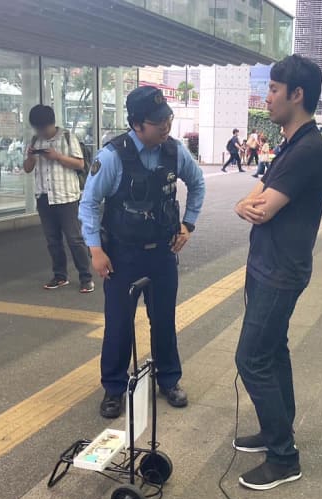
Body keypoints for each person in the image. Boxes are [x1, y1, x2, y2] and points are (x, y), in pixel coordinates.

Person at [79, 86, 206, 419]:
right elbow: (89, 204)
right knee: (119, 325)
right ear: (136, 124)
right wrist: (95, 249)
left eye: (168, 119)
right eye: (157, 122)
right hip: (122, 255)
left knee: (163, 320)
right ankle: (114, 388)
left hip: (162, 253)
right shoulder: (111, 157)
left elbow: (198, 183)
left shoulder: (175, 152)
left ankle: (169, 380)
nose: (165, 127)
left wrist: (188, 224)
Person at [232, 54, 322, 491]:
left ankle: (283, 457)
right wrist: (243, 204)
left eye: (273, 90)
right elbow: (253, 197)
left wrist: (248, 206)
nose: (266, 97)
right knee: (273, 351)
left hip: (279, 271)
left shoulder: (307, 148)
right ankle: (279, 431)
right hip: (267, 265)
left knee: (250, 358)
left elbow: (263, 208)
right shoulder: (293, 141)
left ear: (297, 94)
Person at [24, 104, 94, 293]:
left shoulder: (67, 137)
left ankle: (86, 277)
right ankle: (60, 275)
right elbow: (27, 168)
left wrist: (57, 156)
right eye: (37, 128)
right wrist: (31, 157)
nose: (41, 132)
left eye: (43, 128)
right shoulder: (34, 140)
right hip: (44, 196)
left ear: (52, 123)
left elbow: (80, 164)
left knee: (74, 238)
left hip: (66, 197)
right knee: (52, 239)